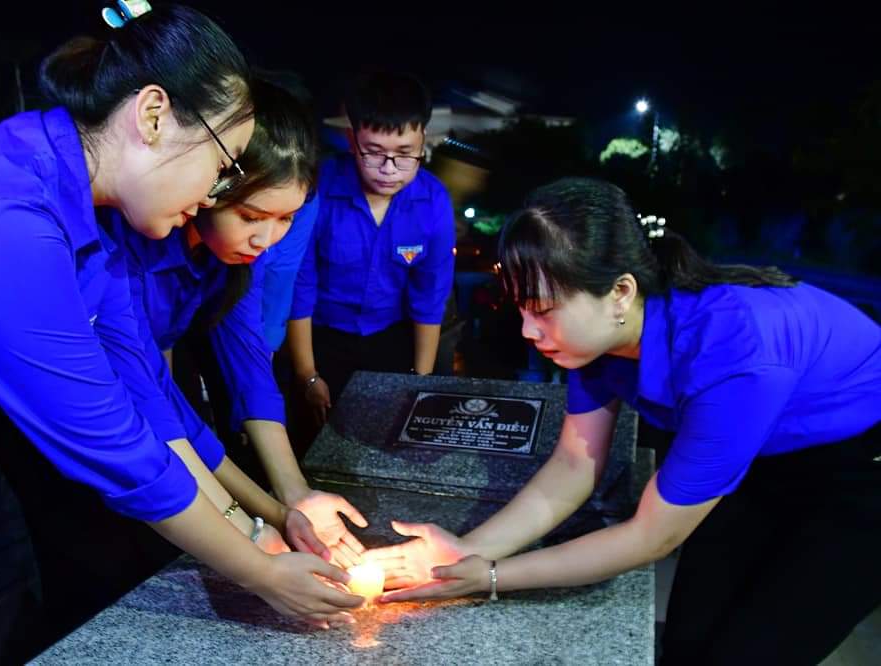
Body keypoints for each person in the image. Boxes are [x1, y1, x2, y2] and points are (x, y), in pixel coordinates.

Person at [0, 5, 357, 661]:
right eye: (225, 163)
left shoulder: (90, 221)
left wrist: (268, 524)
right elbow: (113, 444)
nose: (220, 189)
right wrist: (260, 570)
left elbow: (151, 397)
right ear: (153, 116)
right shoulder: (3, 220)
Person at [370, 178, 881, 666]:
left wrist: (492, 577)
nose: (528, 330)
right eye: (523, 309)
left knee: (748, 655)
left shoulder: (729, 353)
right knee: (688, 640)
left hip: (861, 473)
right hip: (762, 452)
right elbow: (574, 464)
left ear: (620, 291)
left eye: (544, 310)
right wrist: (464, 553)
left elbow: (650, 537)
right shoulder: (597, 343)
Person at [109, 77, 369, 569]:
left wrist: (293, 499)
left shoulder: (228, 259)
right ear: (212, 183)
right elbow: (155, 410)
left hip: (148, 409)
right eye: (251, 216)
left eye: (285, 219)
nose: (266, 239)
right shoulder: (129, 250)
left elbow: (251, 371)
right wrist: (250, 532)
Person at [286, 70, 456, 435]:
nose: (388, 170)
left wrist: (419, 382)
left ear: (423, 139)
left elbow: (430, 298)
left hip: (392, 339)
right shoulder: (320, 188)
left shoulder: (433, 202)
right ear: (352, 139)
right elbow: (300, 287)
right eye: (374, 153)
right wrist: (307, 376)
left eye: (405, 154)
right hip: (319, 339)